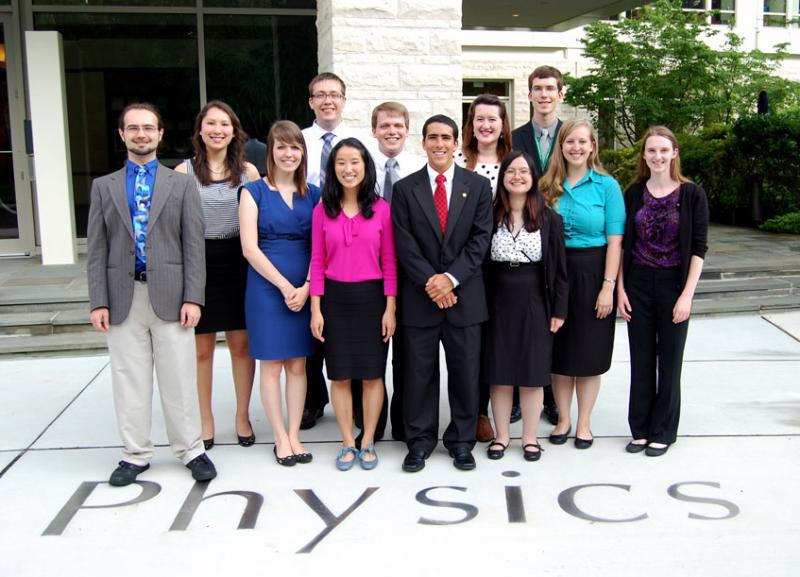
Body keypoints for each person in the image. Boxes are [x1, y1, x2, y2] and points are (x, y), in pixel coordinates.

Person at [87, 102, 216, 486]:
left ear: (160, 134)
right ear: (122, 135)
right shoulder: (103, 187)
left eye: (148, 128)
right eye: (133, 128)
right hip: (123, 296)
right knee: (129, 379)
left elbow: (194, 244)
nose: (141, 134)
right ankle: (135, 454)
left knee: (179, 378)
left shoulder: (181, 184)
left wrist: (194, 296)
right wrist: (98, 300)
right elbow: (96, 248)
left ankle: (191, 450)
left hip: (172, 297)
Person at [392, 114, 493, 473]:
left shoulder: (478, 187)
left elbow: (481, 240)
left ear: (455, 143)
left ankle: (461, 441)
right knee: (419, 373)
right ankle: (419, 441)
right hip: (420, 299)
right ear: (424, 142)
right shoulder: (405, 189)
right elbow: (404, 245)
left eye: (446, 137)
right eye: (432, 137)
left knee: (465, 372)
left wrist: (450, 279)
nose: (439, 143)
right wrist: (433, 284)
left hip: (465, 297)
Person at [617, 126, 708, 457]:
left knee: (669, 360)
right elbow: (624, 244)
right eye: (651, 151)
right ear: (644, 155)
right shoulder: (633, 193)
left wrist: (687, 295)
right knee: (640, 359)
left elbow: (699, 248)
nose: (657, 156)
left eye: (663, 150)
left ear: (674, 154)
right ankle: (639, 428)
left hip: (673, 284)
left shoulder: (691, 194)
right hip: (638, 283)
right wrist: (621, 290)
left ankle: (664, 430)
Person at [175, 101, 260, 450]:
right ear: (200, 130)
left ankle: (242, 416)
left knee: (241, 346)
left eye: (224, 124)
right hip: (199, 262)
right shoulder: (182, 173)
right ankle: (205, 419)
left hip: (240, 260)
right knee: (202, 350)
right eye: (211, 123)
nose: (217, 130)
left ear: (234, 131)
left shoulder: (249, 172)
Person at [310, 138, 397, 470]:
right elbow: (317, 261)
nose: (348, 169)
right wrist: (316, 309)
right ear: (333, 169)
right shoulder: (322, 210)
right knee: (341, 376)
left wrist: (390, 308)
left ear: (365, 167)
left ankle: (368, 440)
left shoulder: (382, 210)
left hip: (372, 299)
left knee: (373, 375)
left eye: (355, 162)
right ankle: (347, 442)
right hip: (334, 299)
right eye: (341, 163)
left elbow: (390, 261)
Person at [538, 118, 625, 450]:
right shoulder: (547, 186)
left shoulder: (607, 186)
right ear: (561, 146)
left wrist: (608, 286)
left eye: (582, 142)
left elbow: (616, 241)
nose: (576, 147)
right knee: (559, 353)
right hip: (555, 274)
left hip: (593, 273)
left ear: (593, 146)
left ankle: (585, 423)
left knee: (589, 353)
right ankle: (563, 418)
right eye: (569, 142)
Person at [239, 120, 320, 467]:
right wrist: (286, 287)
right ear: (270, 151)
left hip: (305, 285)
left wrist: (306, 287)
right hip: (266, 287)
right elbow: (249, 248)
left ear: (303, 152)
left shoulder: (314, 194)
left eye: (295, 147)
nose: (289, 153)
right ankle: (279, 437)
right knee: (271, 366)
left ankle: (296, 433)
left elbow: (322, 247)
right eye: (282, 147)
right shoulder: (253, 191)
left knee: (299, 365)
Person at [483, 151, 568, 462]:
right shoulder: (489, 215)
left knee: (532, 373)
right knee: (500, 372)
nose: (517, 177)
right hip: (497, 302)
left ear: (533, 178)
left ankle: (530, 438)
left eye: (523, 172)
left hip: (535, 300)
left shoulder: (550, 219)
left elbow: (560, 270)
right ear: (502, 177)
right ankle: (502, 436)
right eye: (511, 171)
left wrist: (559, 309)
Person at [300, 72, 367, 430]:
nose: (328, 100)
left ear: (344, 99)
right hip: (308, 234)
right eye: (320, 95)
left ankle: (355, 397)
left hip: (351, 239)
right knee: (314, 325)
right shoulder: (299, 140)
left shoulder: (358, 143)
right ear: (311, 101)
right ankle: (313, 399)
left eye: (335, 95)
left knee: (350, 325)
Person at [363, 101, 425, 444]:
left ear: (406, 130)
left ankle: (404, 423)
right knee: (372, 351)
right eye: (385, 126)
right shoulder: (360, 167)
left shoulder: (418, 167)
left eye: (398, 126)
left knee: (408, 352)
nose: (391, 131)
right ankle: (370, 421)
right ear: (374, 130)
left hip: (411, 273)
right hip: (371, 273)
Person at [511, 65, 567, 425]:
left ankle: (551, 397)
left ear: (561, 94)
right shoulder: (514, 138)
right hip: (521, 233)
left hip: (560, 236)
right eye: (537, 88)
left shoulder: (571, 136)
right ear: (528, 94)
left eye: (550, 88)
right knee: (521, 324)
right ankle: (518, 394)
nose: (544, 94)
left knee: (553, 321)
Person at [456, 93, 513, 443]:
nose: (486, 125)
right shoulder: (460, 160)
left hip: (504, 263)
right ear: (471, 123)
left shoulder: (513, 161)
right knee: (471, 341)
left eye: (493, 119)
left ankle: (501, 404)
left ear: (503, 124)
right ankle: (475, 410)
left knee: (498, 337)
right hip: (466, 265)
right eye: (479, 119)